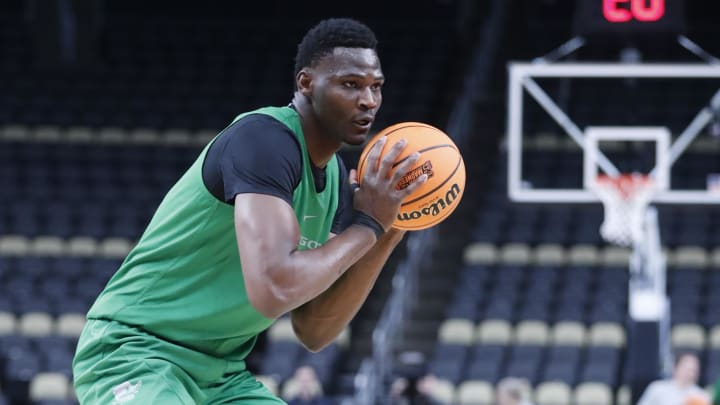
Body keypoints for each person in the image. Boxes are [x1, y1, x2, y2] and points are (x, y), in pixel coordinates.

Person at [72, 17, 428, 404]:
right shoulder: (264, 140)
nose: (368, 101)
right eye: (351, 84)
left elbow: (315, 330)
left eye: (376, 87)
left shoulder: (335, 180)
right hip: (137, 351)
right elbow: (275, 288)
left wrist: (390, 229)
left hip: (222, 376)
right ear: (306, 83)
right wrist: (368, 225)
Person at [637, 351, 711, 405]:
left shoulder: (701, 396)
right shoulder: (657, 388)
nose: (690, 374)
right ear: (675, 368)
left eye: (694, 370)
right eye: (687, 369)